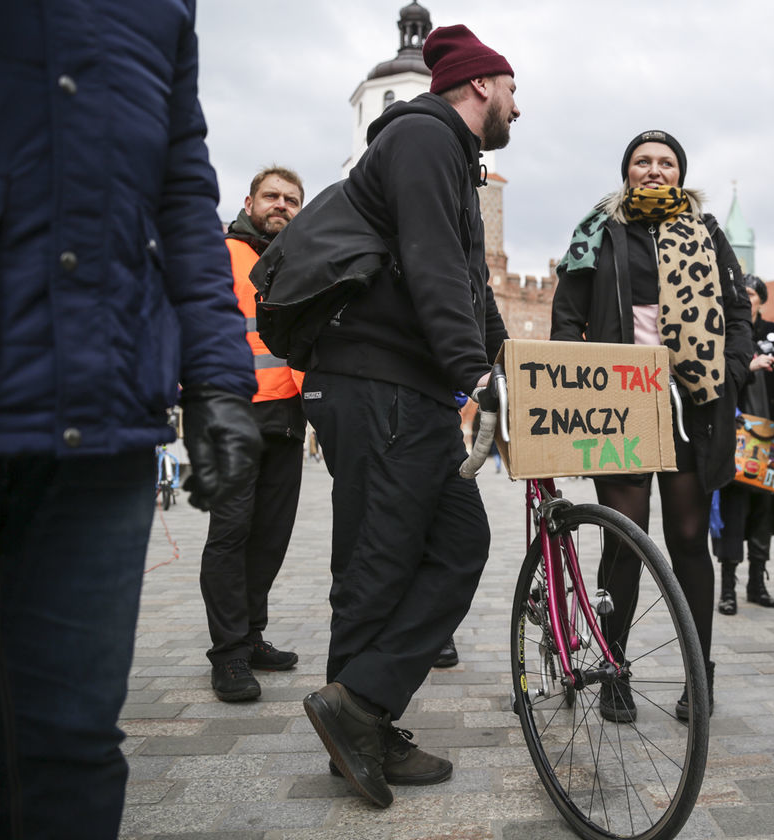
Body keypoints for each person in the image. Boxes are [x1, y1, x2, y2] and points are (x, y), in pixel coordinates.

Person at [0, 3, 261, 837]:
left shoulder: (167, 7)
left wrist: (218, 377)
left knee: (71, 749)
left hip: (102, 416)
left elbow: (180, 193)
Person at [299, 25, 516, 808]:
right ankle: (358, 724)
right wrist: (472, 378)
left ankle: (360, 708)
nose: (517, 109)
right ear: (482, 85)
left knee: (454, 544)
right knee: (381, 563)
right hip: (380, 380)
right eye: (513, 91)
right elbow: (428, 265)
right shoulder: (424, 137)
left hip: (403, 386)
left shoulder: (452, 161)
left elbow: (466, 282)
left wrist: (505, 365)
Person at [551, 129, 755, 723]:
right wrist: (577, 377)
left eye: (666, 162)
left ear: (680, 173)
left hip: (694, 401)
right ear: (627, 171)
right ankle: (612, 667)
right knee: (625, 538)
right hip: (620, 401)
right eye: (642, 161)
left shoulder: (708, 231)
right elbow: (567, 315)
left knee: (691, 539)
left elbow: (737, 308)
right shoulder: (598, 229)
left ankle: (699, 677)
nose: (654, 170)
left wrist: (734, 368)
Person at [200, 168, 308, 702]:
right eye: (272, 196)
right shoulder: (223, 254)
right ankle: (228, 655)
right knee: (231, 533)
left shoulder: (301, 260)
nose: (281, 205)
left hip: (287, 418)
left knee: (270, 535)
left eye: (291, 199)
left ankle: (251, 634)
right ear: (250, 201)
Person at [714, 275, 774, 614]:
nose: (744, 298)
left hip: (770, 436)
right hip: (734, 435)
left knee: (764, 511)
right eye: (739, 293)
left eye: (750, 293)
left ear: (761, 299)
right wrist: (748, 364)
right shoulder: (723, 331)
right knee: (732, 510)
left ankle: (757, 583)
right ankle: (727, 588)